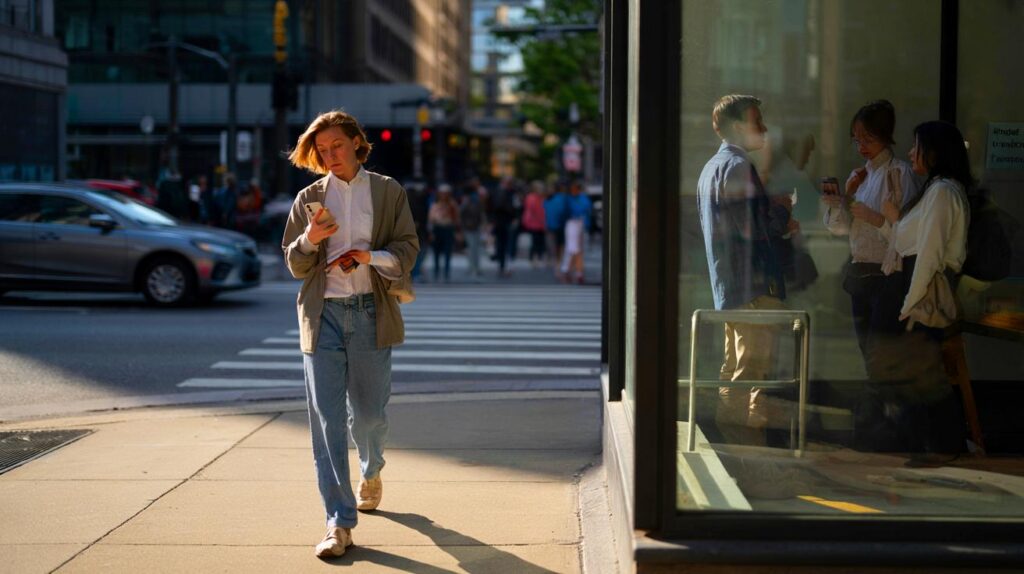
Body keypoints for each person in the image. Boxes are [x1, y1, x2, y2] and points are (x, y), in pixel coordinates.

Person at [281, 110, 419, 558]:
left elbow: (407, 248)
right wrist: (309, 238)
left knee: (369, 416)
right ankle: (338, 522)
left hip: (370, 312)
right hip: (322, 315)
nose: (330, 155)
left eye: (337, 145)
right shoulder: (309, 198)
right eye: (322, 150)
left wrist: (368, 256)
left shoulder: (387, 190)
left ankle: (371, 468)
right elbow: (294, 263)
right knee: (328, 421)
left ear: (358, 142)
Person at [860, 120, 971, 456]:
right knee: (914, 371)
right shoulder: (936, 189)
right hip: (906, 285)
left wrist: (910, 304)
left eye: (917, 146)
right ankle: (927, 445)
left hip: (912, 289)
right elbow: (907, 242)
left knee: (913, 371)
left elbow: (929, 254)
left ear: (934, 152)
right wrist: (889, 219)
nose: (910, 153)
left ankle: (933, 445)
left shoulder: (942, 192)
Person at [696, 94, 789, 446]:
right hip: (753, 286)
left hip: (731, 286)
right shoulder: (737, 166)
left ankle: (735, 443)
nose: (763, 128)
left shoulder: (712, 167)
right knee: (751, 373)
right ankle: (745, 449)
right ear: (737, 126)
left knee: (734, 368)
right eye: (757, 121)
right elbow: (754, 229)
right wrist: (782, 213)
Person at [822, 100, 920, 357]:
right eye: (857, 140)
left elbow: (909, 235)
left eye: (868, 139)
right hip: (861, 272)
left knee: (881, 352)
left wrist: (876, 219)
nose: (861, 147)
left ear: (885, 136)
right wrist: (842, 199)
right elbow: (840, 229)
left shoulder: (900, 174)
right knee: (867, 350)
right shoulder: (861, 176)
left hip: (888, 274)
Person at [560, 181, 592, 284]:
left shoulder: (580, 199)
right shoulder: (569, 199)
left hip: (579, 223)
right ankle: (573, 272)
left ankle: (572, 271)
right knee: (574, 249)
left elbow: (586, 209)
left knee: (576, 249)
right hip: (573, 223)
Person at [428, 184, 458, 282]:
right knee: (436, 251)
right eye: (442, 193)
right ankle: (436, 271)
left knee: (448, 251)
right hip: (438, 228)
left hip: (448, 229)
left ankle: (446, 272)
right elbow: (431, 218)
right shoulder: (435, 205)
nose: (443, 195)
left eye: (446, 193)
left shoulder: (452, 205)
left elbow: (456, 218)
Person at [488, 177, 516, 277]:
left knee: (503, 244)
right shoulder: (500, 192)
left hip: (503, 221)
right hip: (501, 221)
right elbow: (496, 206)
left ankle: (502, 265)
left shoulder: (509, 192)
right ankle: (501, 265)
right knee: (502, 244)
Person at [459, 179, 485, 278]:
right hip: (471, 226)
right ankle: (474, 267)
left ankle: (474, 267)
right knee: (474, 248)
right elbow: (462, 213)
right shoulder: (472, 200)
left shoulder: (472, 200)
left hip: (472, 226)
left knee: (473, 248)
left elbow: (479, 213)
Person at [545, 181, 569, 275]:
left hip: (551, 225)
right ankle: (559, 263)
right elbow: (564, 211)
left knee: (553, 245)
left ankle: (555, 262)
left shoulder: (548, 199)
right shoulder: (563, 198)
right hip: (560, 225)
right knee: (560, 245)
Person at [522, 180, 548, 267]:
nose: (541, 190)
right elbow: (532, 211)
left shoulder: (543, 197)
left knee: (541, 241)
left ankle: (540, 258)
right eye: (540, 188)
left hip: (542, 222)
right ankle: (533, 259)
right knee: (535, 241)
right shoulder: (531, 198)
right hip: (534, 223)